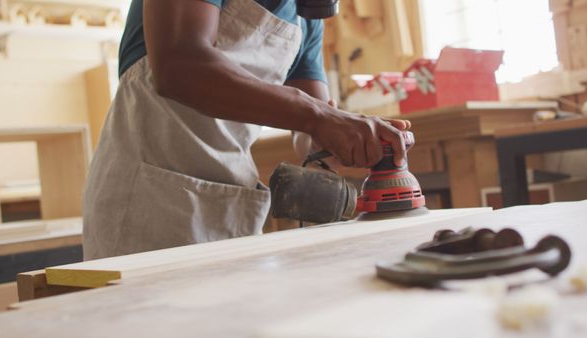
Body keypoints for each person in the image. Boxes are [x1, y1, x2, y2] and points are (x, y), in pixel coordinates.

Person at [82, 0, 412, 260]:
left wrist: (352, 138)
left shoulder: (305, 15)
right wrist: (321, 118)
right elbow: (179, 63)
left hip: (226, 202)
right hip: (146, 198)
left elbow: (312, 131)